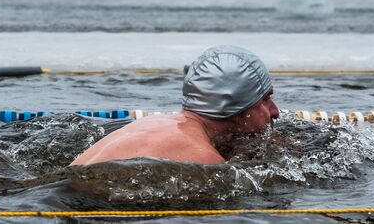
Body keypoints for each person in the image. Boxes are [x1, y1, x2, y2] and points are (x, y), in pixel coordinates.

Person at [71, 45, 279, 166]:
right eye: (265, 99)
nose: (275, 111)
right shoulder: (203, 158)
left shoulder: (155, 122)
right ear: (238, 107)